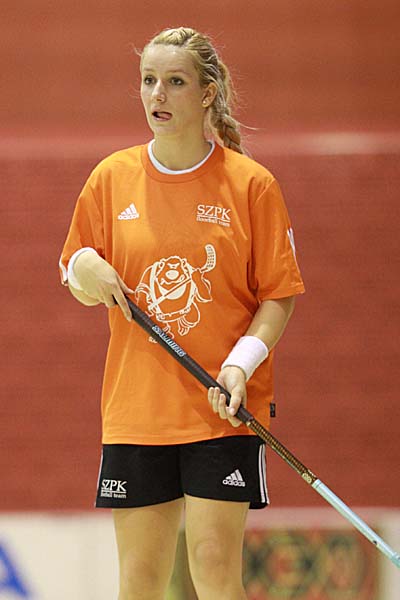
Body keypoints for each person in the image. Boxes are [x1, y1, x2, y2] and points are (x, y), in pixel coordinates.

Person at [59, 26, 305, 600]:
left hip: (221, 407)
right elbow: (74, 270)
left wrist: (240, 364)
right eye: (149, 81)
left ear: (207, 93)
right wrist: (84, 269)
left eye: (174, 82)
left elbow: (279, 294)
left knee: (214, 567)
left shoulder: (251, 185)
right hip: (137, 410)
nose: (157, 95)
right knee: (141, 579)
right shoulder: (110, 178)